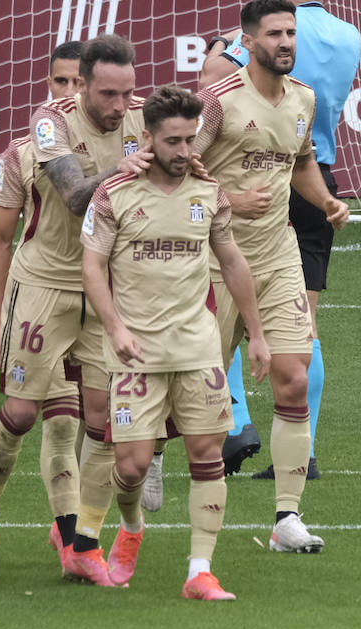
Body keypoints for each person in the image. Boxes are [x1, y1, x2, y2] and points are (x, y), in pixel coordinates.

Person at [0, 34, 150, 586]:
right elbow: (72, 198)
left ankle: (84, 542)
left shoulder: (142, 119)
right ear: (79, 87)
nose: (119, 107)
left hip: (105, 291)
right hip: (44, 286)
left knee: (99, 422)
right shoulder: (48, 127)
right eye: (107, 95)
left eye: (127, 94)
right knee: (20, 415)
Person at [81, 84, 271, 597]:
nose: (185, 151)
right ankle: (131, 528)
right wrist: (116, 327)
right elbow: (93, 266)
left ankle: (199, 571)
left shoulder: (208, 193)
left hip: (197, 347)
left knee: (207, 453)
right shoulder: (114, 193)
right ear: (147, 139)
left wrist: (255, 332)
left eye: (190, 140)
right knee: (132, 466)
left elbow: (231, 259)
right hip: (135, 350)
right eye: (173, 141)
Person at [193, 0, 361, 488]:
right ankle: (184, 443)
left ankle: (272, 467)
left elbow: (300, 157)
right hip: (230, 230)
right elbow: (182, 162)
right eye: (276, 34)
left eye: (290, 33)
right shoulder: (348, 38)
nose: (287, 41)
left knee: (291, 353)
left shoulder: (296, 95)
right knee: (207, 368)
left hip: (285, 213)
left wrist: (324, 199)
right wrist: (233, 200)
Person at [0, 42, 87, 580]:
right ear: (47, 84)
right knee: (19, 417)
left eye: (78, 83)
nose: (69, 93)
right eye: (59, 82)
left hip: (92, 302)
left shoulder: (124, 143)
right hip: (37, 296)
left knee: (70, 427)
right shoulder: (22, 152)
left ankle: (71, 540)